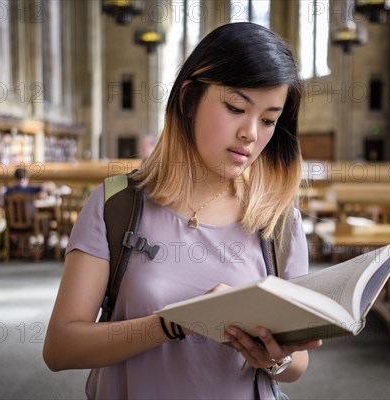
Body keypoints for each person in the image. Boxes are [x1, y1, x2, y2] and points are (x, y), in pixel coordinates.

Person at [43, 22, 322, 399]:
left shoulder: (279, 217)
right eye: (236, 107)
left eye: (269, 120)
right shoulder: (117, 204)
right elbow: (60, 348)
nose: (251, 133)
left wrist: (273, 358)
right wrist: (174, 324)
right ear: (190, 99)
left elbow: (298, 366)